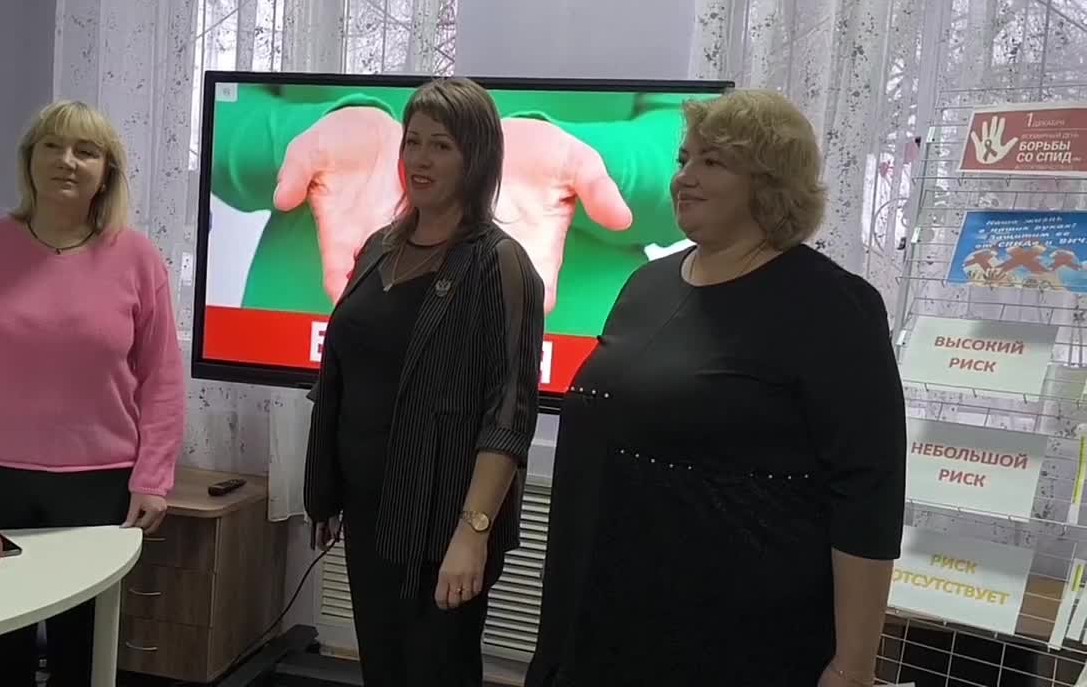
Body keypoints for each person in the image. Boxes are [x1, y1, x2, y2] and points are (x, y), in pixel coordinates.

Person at [525, 90, 906, 687]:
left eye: (713, 161)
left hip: (735, 636)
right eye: (684, 159)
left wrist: (853, 664)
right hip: (604, 614)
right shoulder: (648, 285)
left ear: (771, 184)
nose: (685, 178)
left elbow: (868, 493)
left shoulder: (832, 306)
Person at [0, 100, 185, 687]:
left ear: (106, 172)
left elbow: (162, 382)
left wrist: (153, 479)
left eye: (86, 151)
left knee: (80, 652)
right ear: (29, 161)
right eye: (52, 146)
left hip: (98, 487)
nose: (67, 161)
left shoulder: (138, 260)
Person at [303, 77, 545, 687]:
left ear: (476, 158)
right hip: (369, 513)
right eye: (412, 142)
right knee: (383, 669)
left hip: (442, 522)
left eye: (441, 145)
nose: (421, 159)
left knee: (436, 672)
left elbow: (510, 413)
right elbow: (343, 374)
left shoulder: (500, 262)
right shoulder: (377, 249)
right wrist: (325, 488)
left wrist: (473, 533)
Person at [208, 82, 706, 335]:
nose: (425, 162)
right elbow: (220, 114)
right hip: (311, 327)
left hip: (564, 344)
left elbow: (697, 142)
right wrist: (304, 143)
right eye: (414, 143)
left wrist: (585, 164)